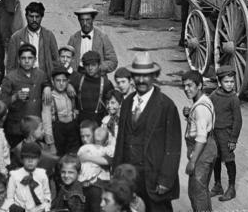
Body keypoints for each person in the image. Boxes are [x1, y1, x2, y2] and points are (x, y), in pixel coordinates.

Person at [112, 53, 182, 212]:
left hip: (154, 179)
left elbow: (173, 147)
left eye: (146, 76)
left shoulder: (166, 106)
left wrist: (165, 180)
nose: (141, 80)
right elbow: (121, 139)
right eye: (137, 76)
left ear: (154, 76)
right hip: (129, 178)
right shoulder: (128, 101)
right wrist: (116, 172)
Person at [181, 70, 216, 212]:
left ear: (200, 85)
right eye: (184, 86)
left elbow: (201, 137)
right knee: (201, 191)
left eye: (190, 86)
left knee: (196, 193)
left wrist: (192, 161)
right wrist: (189, 115)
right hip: (207, 149)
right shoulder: (203, 101)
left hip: (202, 151)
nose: (186, 89)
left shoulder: (200, 108)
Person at [208, 68, 241, 202]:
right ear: (219, 82)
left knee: (228, 160)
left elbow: (238, 120)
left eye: (232, 82)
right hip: (214, 133)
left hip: (226, 134)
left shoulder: (233, 99)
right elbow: (206, 108)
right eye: (226, 82)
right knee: (215, 158)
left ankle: (231, 188)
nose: (229, 84)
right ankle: (217, 185)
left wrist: (233, 139)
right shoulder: (214, 95)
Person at [6, 2, 59, 76]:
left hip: (44, 77)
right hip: (23, 79)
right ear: (26, 16)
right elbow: (10, 65)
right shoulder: (16, 37)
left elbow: (56, 60)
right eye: (31, 16)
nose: (34, 20)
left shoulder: (49, 36)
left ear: (41, 17)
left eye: (37, 17)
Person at [68, 7, 118, 75]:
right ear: (79, 20)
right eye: (82, 20)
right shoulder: (73, 38)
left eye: (88, 20)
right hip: (79, 75)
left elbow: (113, 61)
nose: (85, 23)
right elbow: (67, 59)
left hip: (97, 75)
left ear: (93, 19)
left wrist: (98, 68)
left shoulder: (102, 37)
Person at [7, 140, 52, 212]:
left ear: (39, 159)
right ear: (22, 159)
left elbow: (47, 194)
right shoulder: (14, 176)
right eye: (27, 157)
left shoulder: (42, 174)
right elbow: (9, 198)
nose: (30, 161)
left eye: (34, 158)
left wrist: (46, 207)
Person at [70, 51, 112, 126]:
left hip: (99, 122)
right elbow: (61, 79)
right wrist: (68, 86)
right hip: (80, 122)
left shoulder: (106, 83)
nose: (90, 68)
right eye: (87, 65)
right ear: (83, 66)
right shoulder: (78, 79)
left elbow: (113, 103)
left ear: (99, 65)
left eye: (93, 65)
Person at [41, 67, 78, 153]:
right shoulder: (49, 95)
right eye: (58, 80)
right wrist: (50, 143)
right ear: (52, 81)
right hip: (58, 133)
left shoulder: (69, 92)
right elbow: (46, 121)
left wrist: (69, 85)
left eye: (64, 80)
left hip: (72, 132)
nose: (61, 83)